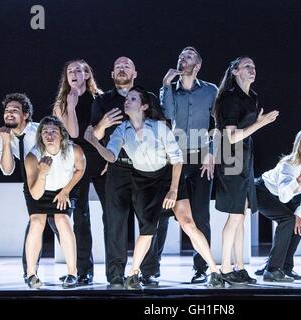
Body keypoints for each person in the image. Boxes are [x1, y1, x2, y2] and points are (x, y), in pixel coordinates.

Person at [85, 86, 224, 289]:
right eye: (127, 99)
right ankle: (133, 274)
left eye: (132, 99)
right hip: (144, 182)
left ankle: (214, 271)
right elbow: (112, 156)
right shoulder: (121, 130)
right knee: (148, 228)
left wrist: (174, 190)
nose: (127, 101)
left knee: (187, 222)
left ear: (144, 106)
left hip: (168, 177)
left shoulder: (159, 128)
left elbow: (177, 160)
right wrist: (96, 144)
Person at [88, 56, 160, 288]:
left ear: (135, 73)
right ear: (111, 74)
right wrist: (103, 125)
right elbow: (94, 136)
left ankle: (148, 271)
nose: (121, 69)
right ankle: (116, 272)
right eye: (117, 66)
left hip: (146, 168)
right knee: (114, 221)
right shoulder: (102, 100)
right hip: (116, 167)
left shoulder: (148, 99)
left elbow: (162, 131)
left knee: (147, 220)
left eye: (126, 66)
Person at [155, 46, 218, 284]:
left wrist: (211, 152)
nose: (183, 59)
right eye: (180, 56)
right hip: (175, 158)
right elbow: (167, 114)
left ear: (198, 65)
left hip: (201, 156)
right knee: (162, 213)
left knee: (201, 215)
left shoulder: (210, 90)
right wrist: (166, 85)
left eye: (188, 56)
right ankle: (152, 267)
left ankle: (202, 268)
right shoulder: (170, 90)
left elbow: (218, 124)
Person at [214, 56, 279, 284]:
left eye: (254, 66)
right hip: (231, 159)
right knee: (235, 215)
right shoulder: (231, 98)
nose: (252, 70)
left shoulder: (252, 97)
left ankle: (239, 266)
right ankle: (224, 268)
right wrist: (260, 124)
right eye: (247, 66)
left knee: (241, 216)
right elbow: (230, 138)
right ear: (235, 72)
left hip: (244, 158)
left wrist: (256, 123)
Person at [53, 59, 110, 284]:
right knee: (80, 216)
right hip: (76, 162)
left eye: (79, 70)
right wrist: (71, 105)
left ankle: (115, 269)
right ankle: (83, 270)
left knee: (111, 215)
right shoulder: (62, 104)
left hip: (100, 159)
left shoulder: (100, 98)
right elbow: (74, 133)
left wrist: (108, 157)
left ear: (87, 75)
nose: (74, 73)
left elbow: (110, 130)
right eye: (70, 71)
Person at [0, 93, 59, 283]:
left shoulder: (39, 130)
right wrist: (7, 143)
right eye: (7, 110)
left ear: (25, 115)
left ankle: (79, 270)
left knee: (61, 224)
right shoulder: (4, 136)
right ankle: (30, 272)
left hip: (55, 180)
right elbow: (7, 170)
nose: (9, 113)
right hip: (32, 183)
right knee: (35, 223)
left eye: (14, 110)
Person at [254, 127, 301, 282]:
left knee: (297, 227)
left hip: (280, 195)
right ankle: (272, 270)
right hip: (262, 190)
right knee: (287, 220)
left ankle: (285, 268)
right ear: (299, 146)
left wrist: (299, 216)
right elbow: (284, 196)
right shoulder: (288, 165)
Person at [24, 116, 86, 288]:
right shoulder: (32, 157)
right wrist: (42, 173)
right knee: (36, 222)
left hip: (64, 188)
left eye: (53, 131)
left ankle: (72, 273)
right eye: (45, 132)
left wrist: (66, 191)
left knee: (62, 220)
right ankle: (31, 274)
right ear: (40, 136)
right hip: (39, 189)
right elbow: (35, 195)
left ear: (61, 135)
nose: (49, 135)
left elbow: (80, 169)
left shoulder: (74, 150)